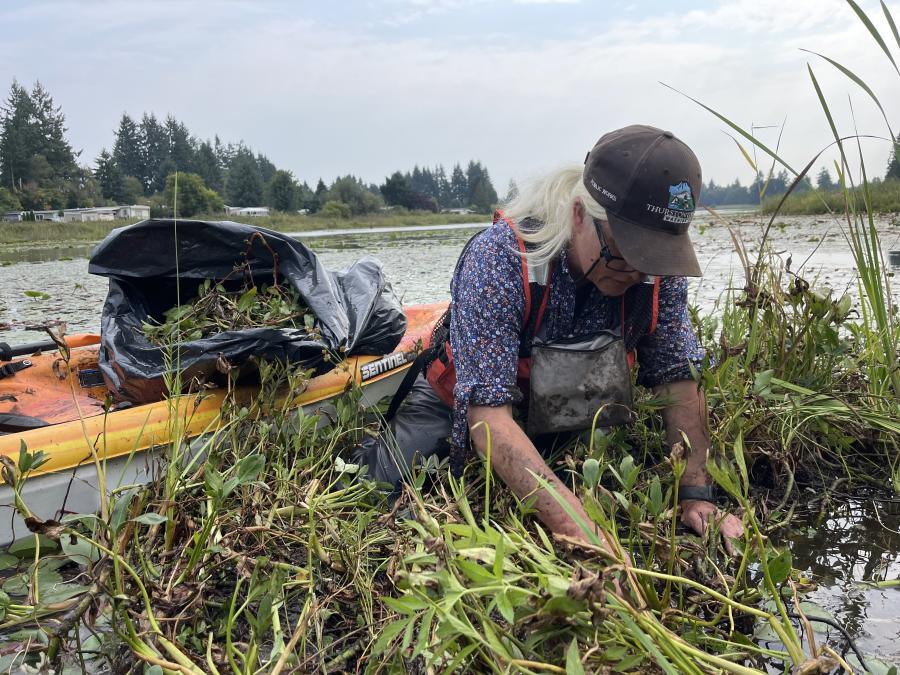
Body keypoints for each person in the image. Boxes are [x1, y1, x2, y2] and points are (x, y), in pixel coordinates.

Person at [354, 124, 744, 551]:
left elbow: (677, 378)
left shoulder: (657, 272)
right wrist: (581, 531)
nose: (637, 272)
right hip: (464, 406)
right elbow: (488, 420)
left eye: (651, 257)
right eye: (624, 252)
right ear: (580, 215)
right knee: (375, 494)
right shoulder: (499, 257)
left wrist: (696, 494)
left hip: (567, 409)